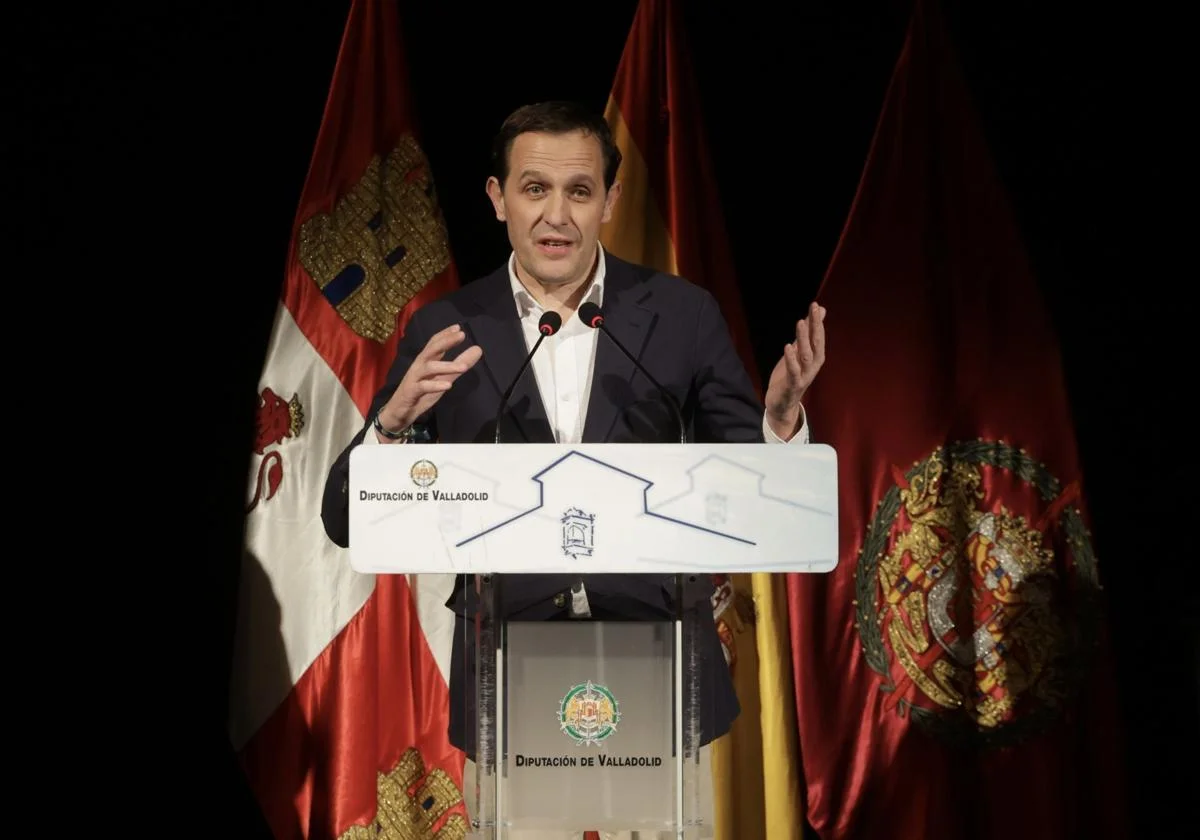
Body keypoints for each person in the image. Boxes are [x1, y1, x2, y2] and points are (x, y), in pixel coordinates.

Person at [320, 100, 826, 834]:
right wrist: (391, 427)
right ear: (497, 199)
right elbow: (345, 519)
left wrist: (778, 426)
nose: (556, 214)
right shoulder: (446, 329)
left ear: (610, 202)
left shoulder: (681, 316)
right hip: (508, 672)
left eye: (579, 191)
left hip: (662, 665)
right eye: (534, 189)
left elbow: (755, 495)